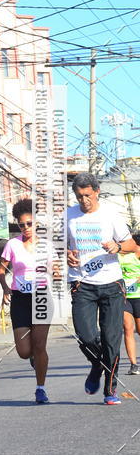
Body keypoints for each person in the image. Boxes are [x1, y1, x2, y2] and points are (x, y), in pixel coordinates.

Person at [67, 173, 135, 405]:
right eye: (79, 196)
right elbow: (57, 247)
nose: (84, 200)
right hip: (82, 283)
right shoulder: (68, 216)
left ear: (96, 192)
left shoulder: (111, 215)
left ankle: (110, 389)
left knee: (111, 339)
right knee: (85, 335)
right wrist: (66, 254)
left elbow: (131, 245)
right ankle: (97, 363)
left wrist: (118, 246)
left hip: (111, 284)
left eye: (87, 195)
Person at [0, 198, 51, 404]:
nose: (26, 228)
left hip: (42, 297)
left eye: (30, 223)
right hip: (20, 298)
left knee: (39, 346)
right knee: (24, 351)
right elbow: (1, 269)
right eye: (22, 225)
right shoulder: (12, 244)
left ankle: (40, 388)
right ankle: (32, 359)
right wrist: (5, 288)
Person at [120, 233, 140, 375]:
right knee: (128, 328)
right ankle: (133, 364)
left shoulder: (137, 250)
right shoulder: (115, 254)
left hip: (138, 295)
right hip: (123, 297)